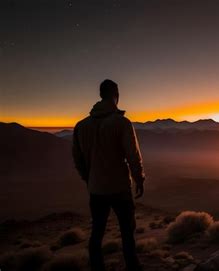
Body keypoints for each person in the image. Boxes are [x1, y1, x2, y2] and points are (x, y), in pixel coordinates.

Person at [72, 79, 145, 271]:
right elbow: (133, 155)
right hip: (119, 187)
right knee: (127, 231)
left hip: (96, 189)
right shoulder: (121, 123)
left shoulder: (81, 126)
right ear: (116, 95)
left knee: (97, 232)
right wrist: (139, 178)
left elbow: (78, 159)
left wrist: (88, 178)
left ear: (100, 95)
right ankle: (132, 267)